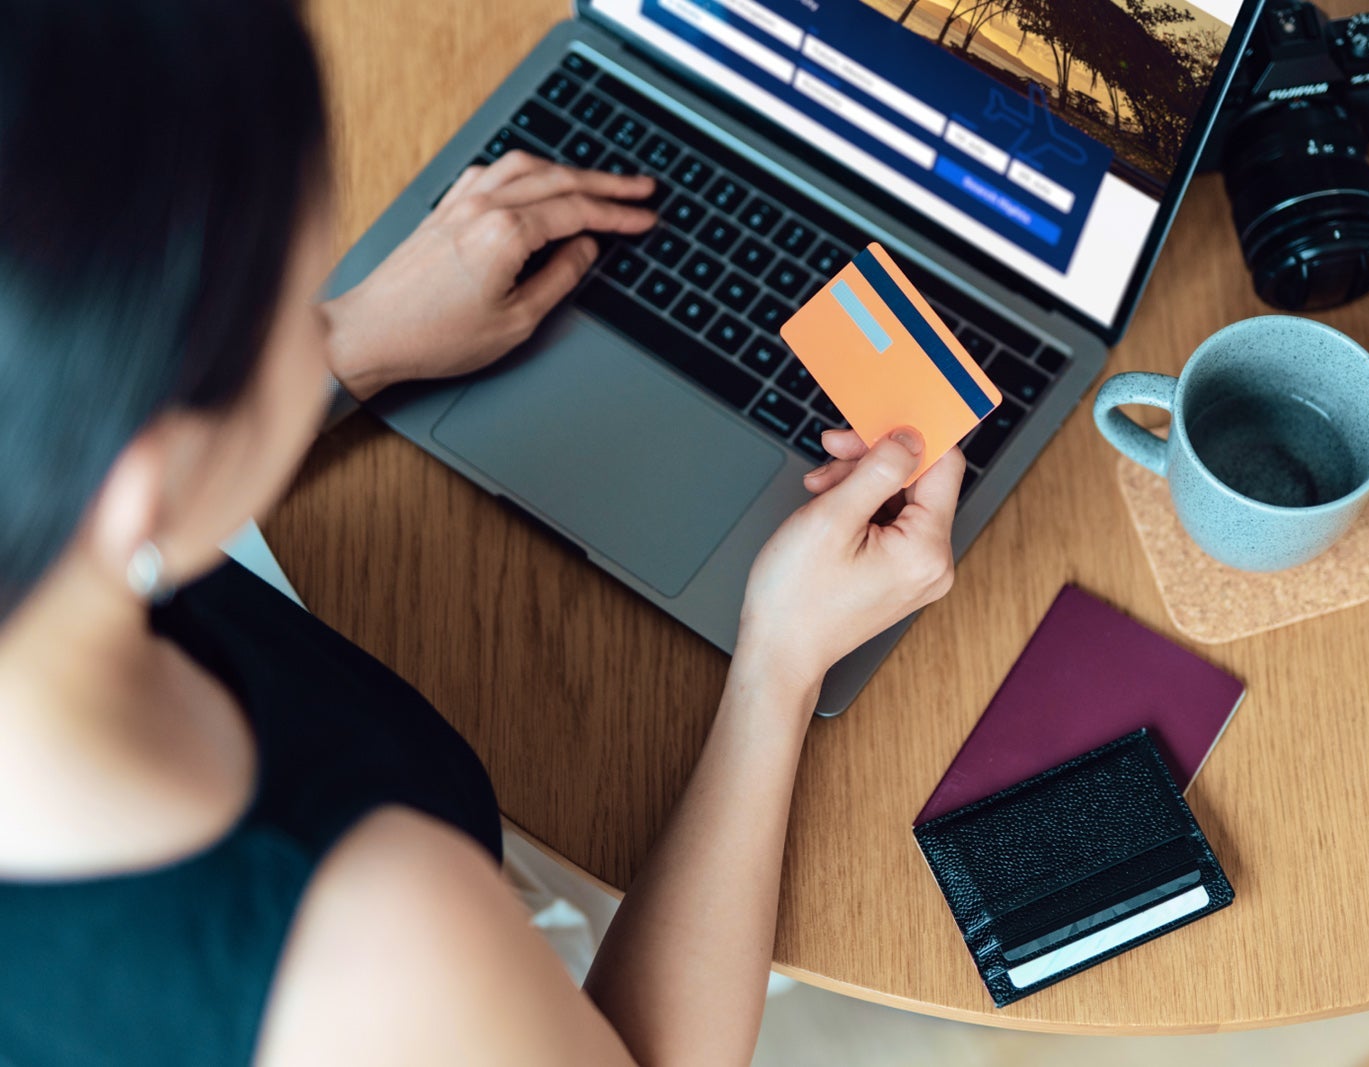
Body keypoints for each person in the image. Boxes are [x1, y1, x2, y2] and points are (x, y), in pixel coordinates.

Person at [0, 1, 964, 1064]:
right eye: (292, 297)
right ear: (148, 481)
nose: (321, 299)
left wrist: (357, 341)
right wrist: (779, 658)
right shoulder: (371, 957)